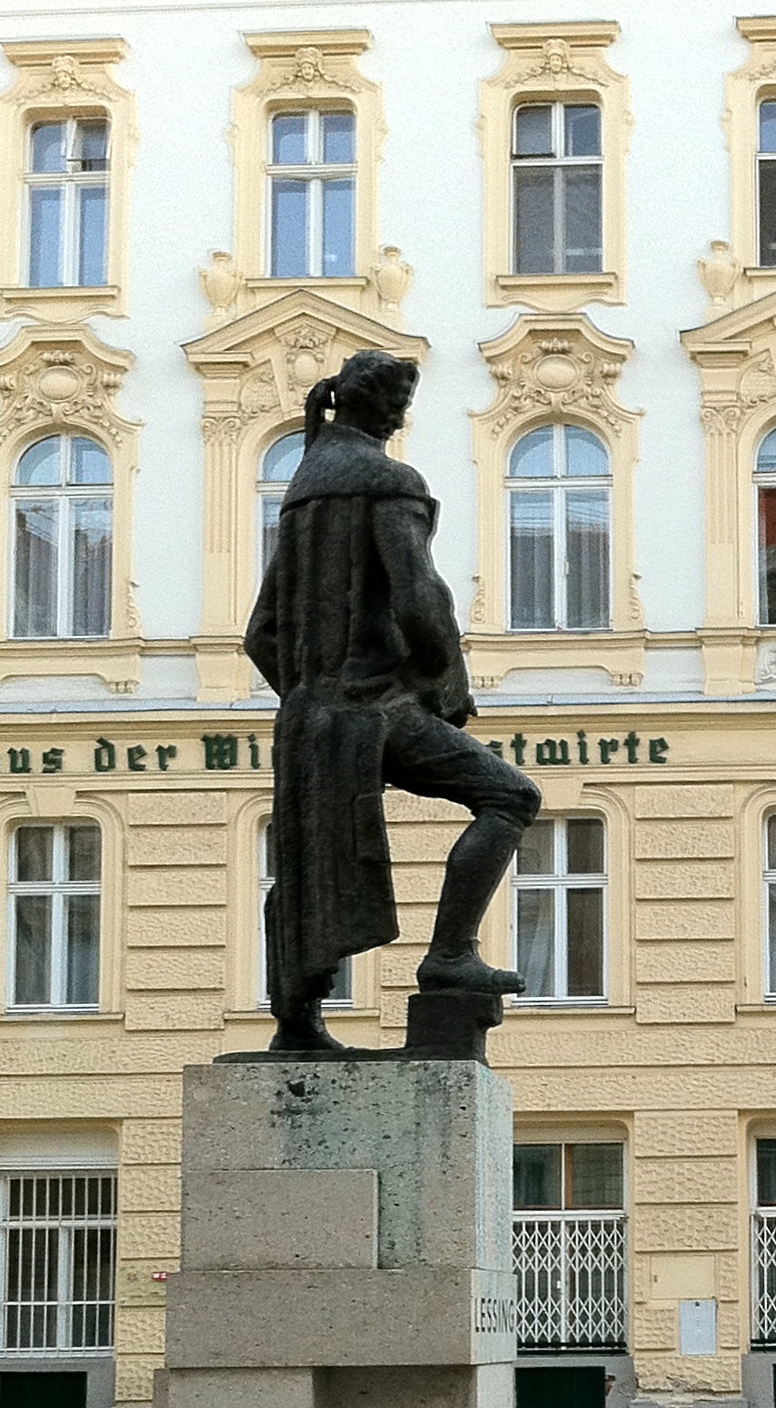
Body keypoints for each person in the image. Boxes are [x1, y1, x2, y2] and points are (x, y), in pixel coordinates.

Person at [245, 349, 541, 1053]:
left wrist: (314, 702)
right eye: (403, 403)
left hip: (311, 718)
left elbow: (261, 635)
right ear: (385, 409)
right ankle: (450, 955)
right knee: (510, 798)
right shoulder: (386, 480)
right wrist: (436, 681)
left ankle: (298, 1023)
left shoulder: (304, 490)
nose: (405, 416)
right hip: (375, 708)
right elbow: (419, 595)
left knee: (306, 861)